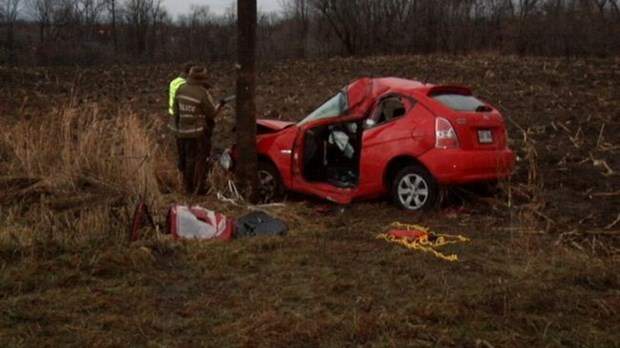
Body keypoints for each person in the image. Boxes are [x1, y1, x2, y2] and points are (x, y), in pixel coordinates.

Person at [170, 66, 220, 194]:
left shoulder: (180, 89)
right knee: (200, 161)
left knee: (187, 160)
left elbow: (176, 112)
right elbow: (211, 113)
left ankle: (187, 188)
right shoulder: (202, 93)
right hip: (198, 133)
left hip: (182, 133)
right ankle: (198, 190)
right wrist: (219, 106)